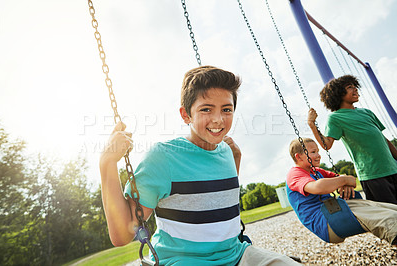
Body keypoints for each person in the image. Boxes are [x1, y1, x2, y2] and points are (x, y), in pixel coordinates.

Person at [99, 66, 299, 265]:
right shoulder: (163, 157)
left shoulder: (228, 151)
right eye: (206, 109)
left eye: (226, 109)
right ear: (186, 114)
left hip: (237, 254)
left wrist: (236, 158)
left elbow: (217, 200)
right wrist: (106, 163)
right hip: (183, 260)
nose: (218, 119)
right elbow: (122, 234)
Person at [286, 137, 397, 245]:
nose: (318, 155)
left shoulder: (315, 171)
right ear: (299, 157)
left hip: (336, 209)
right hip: (325, 221)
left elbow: (351, 180)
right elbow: (319, 187)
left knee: (392, 210)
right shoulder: (294, 174)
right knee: (389, 220)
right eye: (313, 152)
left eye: (318, 151)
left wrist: (344, 181)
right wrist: (343, 180)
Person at [307, 74, 397, 204]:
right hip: (373, 175)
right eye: (350, 87)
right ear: (338, 94)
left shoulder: (367, 112)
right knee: (390, 215)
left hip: (393, 168)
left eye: (355, 86)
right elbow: (327, 144)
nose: (355, 89)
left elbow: (383, 139)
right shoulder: (335, 118)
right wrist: (312, 124)